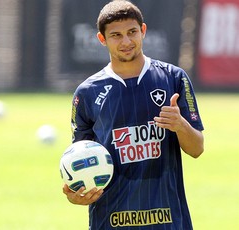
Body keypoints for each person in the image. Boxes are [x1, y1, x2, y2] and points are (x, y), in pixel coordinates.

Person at [62, 0, 204, 229]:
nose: (126, 41)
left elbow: (197, 149)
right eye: (116, 35)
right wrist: (75, 195)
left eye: (132, 32)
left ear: (143, 31)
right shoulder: (87, 93)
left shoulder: (173, 78)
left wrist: (179, 125)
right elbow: (81, 158)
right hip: (111, 221)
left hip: (167, 221)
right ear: (102, 39)